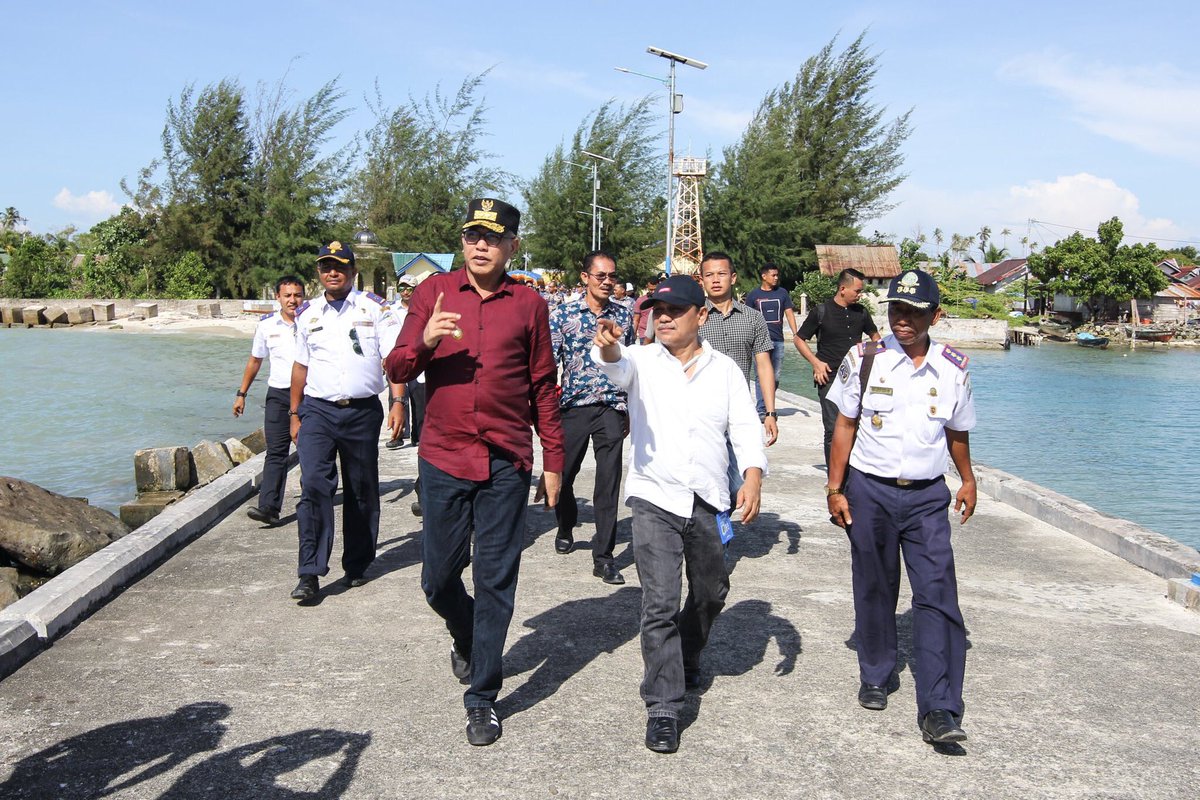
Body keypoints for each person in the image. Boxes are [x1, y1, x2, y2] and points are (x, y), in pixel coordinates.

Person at [384, 198, 564, 747]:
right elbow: (395, 366)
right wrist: (426, 340)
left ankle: (482, 696)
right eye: (471, 236)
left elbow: (542, 387)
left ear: (511, 244)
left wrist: (553, 460)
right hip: (442, 458)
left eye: (492, 236)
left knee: (495, 580)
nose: (480, 245)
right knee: (437, 580)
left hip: (507, 461)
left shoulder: (530, 304)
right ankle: (465, 633)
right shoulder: (431, 293)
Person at [592, 275, 767, 755]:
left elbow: (745, 426)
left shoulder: (726, 370)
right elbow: (613, 365)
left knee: (711, 593)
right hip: (654, 497)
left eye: (675, 310)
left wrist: (751, 476)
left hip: (708, 498)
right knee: (660, 601)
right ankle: (663, 705)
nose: (663, 317)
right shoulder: (641, 361)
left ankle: (689, 651)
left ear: (701, 315)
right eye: (656, 310)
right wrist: (608, 347)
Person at [824, 269, 977, 746]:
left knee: (937, 594)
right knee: (874, 584)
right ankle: (876, 671)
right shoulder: (866, 358)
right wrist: (835, 488)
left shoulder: (953, 368)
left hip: (927, 497)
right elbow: (844, 426)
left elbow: (957, 433)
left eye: (913, 311)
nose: (902, 319)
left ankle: (939, 707)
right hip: (870, 490)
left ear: (935, 314)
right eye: (895, 309)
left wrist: (969, 479)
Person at [287, 242, 404, 602]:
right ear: (319, 273)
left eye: (339, 266)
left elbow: (393, 360)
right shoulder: (307, 315)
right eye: (325, 267)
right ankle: (310, 572)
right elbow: (300, 367)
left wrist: (398, 401)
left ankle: (357, 563)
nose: (332, 273)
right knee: (315, 487)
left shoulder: (374, 309)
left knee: (360, 490)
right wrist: (294, 413)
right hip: (318, 411)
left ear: (352, 272)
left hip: (362, 412)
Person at [548, 250, 634, 585]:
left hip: (612, 408)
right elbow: (549, 362)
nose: (608, 282)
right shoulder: (562, 315)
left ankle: (604, 557)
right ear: (585, 277)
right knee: (564, 474)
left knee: (608, 483)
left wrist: (631, 408)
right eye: (601, 276)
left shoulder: (623, 317)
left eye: (612, 276)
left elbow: (632, 364)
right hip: (574, 406)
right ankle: (566, 524)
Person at [234, 275, 304, 525]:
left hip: (309, 394)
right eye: (287, 296)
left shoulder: (312, 322)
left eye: (297, 295)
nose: (292, 300)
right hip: (278, 395)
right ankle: (269, 508)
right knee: (276, 452)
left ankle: (314, 497)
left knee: (309, 450)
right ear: (278, 297)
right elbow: (255, 361)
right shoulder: (266, 326)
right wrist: (241, 394)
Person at [794, 268, 881, 466]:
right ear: (843, 288)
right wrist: (815, 363)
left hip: (858, 378)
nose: (860, 295)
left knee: (857, 426)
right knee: (833, 428)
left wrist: (873, 357)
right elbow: (799, 339)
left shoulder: (862, 312)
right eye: (857, 291)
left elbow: (876, 338)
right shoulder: (821, 311)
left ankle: (853, 469)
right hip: (829, 376)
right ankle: (834, 475)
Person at [697, 252, 779, 447]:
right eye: (709, 275)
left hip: (740, 409)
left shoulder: (753, 318)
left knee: (740, 472)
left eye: (722, 274)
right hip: (700, 411)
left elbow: (764, 366)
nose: (715, 280)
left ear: (733, 278)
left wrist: (770, 413)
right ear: (701, 280)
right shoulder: (692, 318)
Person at [744, 263, 799, 417]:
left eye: (777, 275)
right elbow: (747, 317)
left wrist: (796, 334)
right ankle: (763, 409)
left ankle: (768, 404)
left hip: (778, 340)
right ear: (764, 276)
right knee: (760, 375)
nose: (776, 278)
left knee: (775, 376)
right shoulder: (754, 295)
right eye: (773, 275)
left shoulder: (782, 293)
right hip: (759, 342)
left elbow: (789, 313)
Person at [633, 272, 666, 343]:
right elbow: (636, 319)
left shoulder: (664, 300)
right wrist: (634, 333)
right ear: (647, 287)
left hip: (659, 334)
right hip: (644, 334)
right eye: (651, 289)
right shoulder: (640, 300)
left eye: (655, 289)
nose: (653, 292)